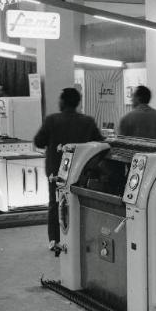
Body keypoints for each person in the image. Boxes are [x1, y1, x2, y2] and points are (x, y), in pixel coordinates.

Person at [34, 87, 102, 252]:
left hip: (56, 171)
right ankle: (78, 239)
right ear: (77, 103)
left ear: (63, 102)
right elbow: (99, 143)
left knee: (56, 203)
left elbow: (39, 141)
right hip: (80, 171)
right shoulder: (88, 121)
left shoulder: (52, 120)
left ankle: (55, 241)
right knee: (78, 204)